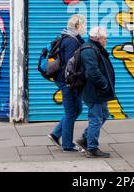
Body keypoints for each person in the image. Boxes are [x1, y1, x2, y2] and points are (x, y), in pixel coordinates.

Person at [75, 26, 116, 158]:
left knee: (104, 114)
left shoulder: (96, 48)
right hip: (94, 91)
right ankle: (92, 148)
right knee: (96, 118)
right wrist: (104, 84)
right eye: (105, 38)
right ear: (97, 38)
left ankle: (85, 139)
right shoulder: (88, 50)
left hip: (98, 91)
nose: (106, 40)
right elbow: (92, 72)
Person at [48, 14, 86, 152]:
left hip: (64, 80)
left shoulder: (72, 38)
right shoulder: (71, 42)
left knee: (77, 110)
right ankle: (67, 144)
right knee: (71, 112)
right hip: (67, 82)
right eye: (84, 24)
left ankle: (55, 134)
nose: (85, 27)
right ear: (77, 26)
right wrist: (71, 84)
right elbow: (72, 65)